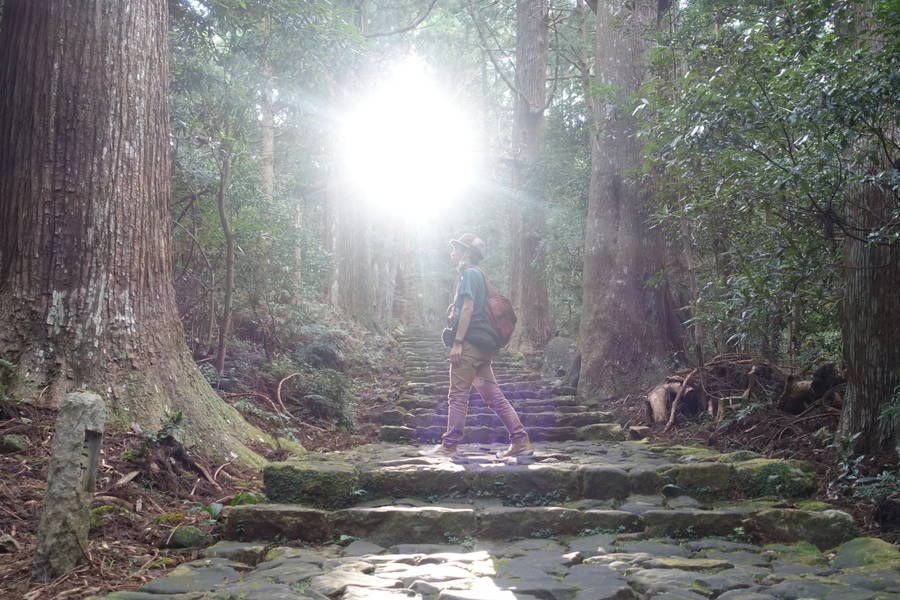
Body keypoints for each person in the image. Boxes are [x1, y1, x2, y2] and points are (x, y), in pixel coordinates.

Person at [425, 233, 533, 459]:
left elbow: (468, 309)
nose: (452, 253)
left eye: (456, 249)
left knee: (457, 395)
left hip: (470, 347)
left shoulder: (469, 274)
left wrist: (457, 343)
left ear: (466, 253)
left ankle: (449, 446)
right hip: (483, 349)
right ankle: (520, 440)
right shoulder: (479, 275)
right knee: (493, 396)